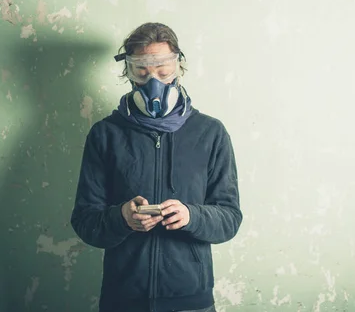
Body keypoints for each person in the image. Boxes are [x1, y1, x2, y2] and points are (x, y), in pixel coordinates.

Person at [70, 22, 242, 312]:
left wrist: (191, 216)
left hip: (191, 301)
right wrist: (122, 217)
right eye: (142, 70)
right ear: (128, 71)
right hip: (122, 299)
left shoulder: (210, 133)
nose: (154, 82)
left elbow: (229, 218)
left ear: (179, 68)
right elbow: (85, 221)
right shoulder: (105, 134)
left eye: (163, 70)